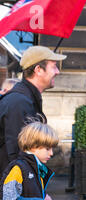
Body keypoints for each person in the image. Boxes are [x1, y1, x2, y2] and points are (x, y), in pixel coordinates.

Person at [0, 46, 66, 176]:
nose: (57, 71)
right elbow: (18, 152)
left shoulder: (26, 98)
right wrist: (31, 188)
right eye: (54, 66)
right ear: (38, 70)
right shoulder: (19, 102)